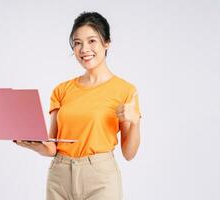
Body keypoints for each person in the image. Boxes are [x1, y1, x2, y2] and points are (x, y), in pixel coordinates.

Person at [13, 11, 142, 200]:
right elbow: (52, 147)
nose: (84, 49)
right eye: (77, 43)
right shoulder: (61, 90)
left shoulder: (125, 90)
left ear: (106, 43)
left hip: (100, 178)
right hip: (60, 176)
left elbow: (129, 154)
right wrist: (32, 144)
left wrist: (135, 121)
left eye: (92, 41)